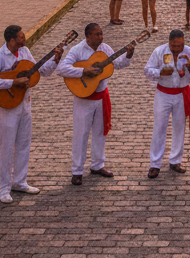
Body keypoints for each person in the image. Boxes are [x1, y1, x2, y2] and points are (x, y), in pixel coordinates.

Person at [0, 26, 65, 203]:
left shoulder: (25, 51)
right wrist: (13, 81)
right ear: (11, 40)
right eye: (21, 37)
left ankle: (20, 181)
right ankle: (3, 187)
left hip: (24, 103)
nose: (25, 39)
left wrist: (55, 59)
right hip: (7, 106)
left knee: (23, 143)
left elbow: (41, 72)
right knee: (6, 147)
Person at [55, 23, 136, 184]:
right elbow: (61, 69)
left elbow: (117, 64)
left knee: (100, 132)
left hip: (101, 96)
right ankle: (77, 170)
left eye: (101, 34)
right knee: (81, 134)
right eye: (97, 34)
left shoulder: (105, 48)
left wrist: (128, 55)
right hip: (83, 98)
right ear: (88, 36)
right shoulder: (77, 50)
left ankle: (98, 165)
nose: (100, 37)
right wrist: (83, 71)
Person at [144, 29, 190, 177]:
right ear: (169, 43)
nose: (177, 49)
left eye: (180, 45)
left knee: (179, 127)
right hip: (163, 93)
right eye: (174, 46)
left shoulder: (189, 52)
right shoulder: (159, 51)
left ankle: (175, 160)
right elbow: (147, 70)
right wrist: (160, 73)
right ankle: (155, 163)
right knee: (159, 127)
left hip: (181, 94)